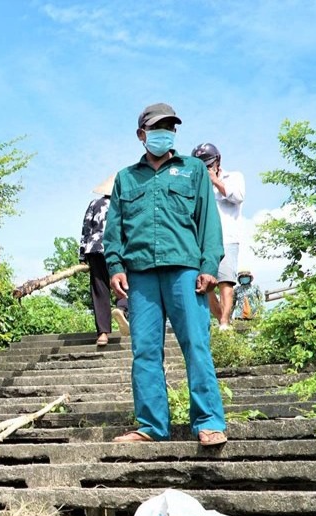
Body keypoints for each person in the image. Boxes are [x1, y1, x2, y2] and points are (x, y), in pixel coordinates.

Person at [104, 103, 228, 447]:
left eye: (170, 127)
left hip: (185, 271)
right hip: (140, 276)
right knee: (144, 351)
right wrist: (115, 266)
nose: (165, 133)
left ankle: (208, 421)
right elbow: (113, 229)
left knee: (196, 345)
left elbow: (209, 222)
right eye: (158, 128)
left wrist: (208, 266)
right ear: (142, 135)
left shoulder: (193, 170)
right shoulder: (126, 178)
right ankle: (150, 426)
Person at [191, 143, 246, 331]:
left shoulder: (234, 177)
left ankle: (224, 322)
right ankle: (221, 320)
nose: (205, 168)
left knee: (226, 281)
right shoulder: (194, 183)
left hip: (227, 237)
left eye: (208, 164)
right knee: (205, 284)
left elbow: (238, 196)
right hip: (203, 241)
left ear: (217, 161)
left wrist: (214, 181)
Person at [79, 173, 130, 345]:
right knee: (124, 282)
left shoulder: (94, 204)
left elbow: (86, 229)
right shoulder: (124, 204)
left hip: (94, 249)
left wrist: (82, 255)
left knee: (99, 289)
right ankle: (122, 309)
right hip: (118, 248)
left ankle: (102, 334)